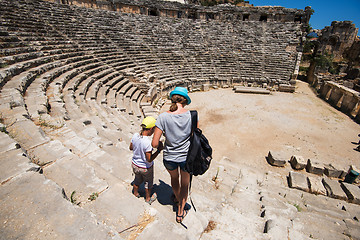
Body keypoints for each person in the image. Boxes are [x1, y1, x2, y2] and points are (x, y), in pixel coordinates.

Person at [152, 86, 195, 223]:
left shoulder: (163, 117)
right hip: (186, 158)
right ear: (185, 101)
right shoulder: (192, 115)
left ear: (172, 99)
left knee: (174, 180)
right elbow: (195, 136)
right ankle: (181, 211)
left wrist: (161, 146)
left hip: (169, 157)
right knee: (185, 184)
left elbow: (154, 143)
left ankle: (177, 199)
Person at [130, 116, 163, 205]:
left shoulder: (135, 136)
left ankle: (135, 193)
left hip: (135, 164)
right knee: (148, 184)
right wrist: (159, 150)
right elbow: (149, 159)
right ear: (151, 129)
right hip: (145, 168)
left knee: (137, 179)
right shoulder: (147, 142)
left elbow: (130, 147)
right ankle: (148, 198)